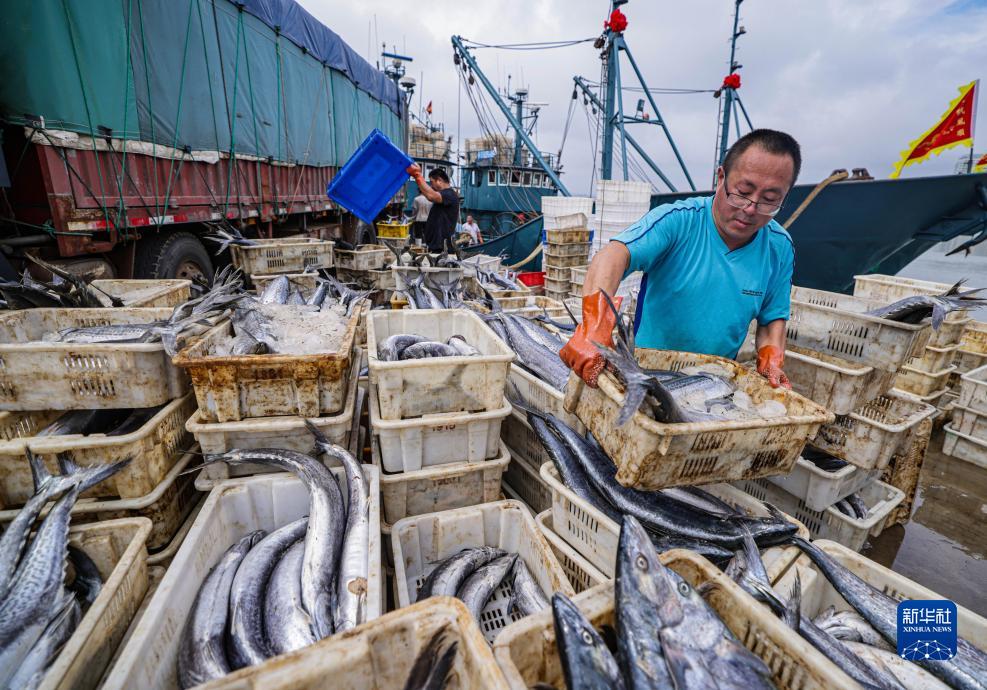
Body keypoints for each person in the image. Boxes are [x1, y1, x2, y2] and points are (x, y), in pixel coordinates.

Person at [560, 128, 800, 389]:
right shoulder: (678, 221)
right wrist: (594, 327)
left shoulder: (779, 247)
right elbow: (613, 255)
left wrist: (771, 359)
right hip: (644, 374)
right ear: (721, 178)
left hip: (713, 384)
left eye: (769, 200)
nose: (751, 208)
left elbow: (772, 316)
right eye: (742, 192)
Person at [407, 165, 460, 252]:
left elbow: (431, 196)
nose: (431, 186)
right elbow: (429, 195)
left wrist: (417, 175)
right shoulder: (444, 195)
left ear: (439, 180)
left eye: (432, 182)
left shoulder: (449, 194)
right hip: (436, 245)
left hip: (442, 247)